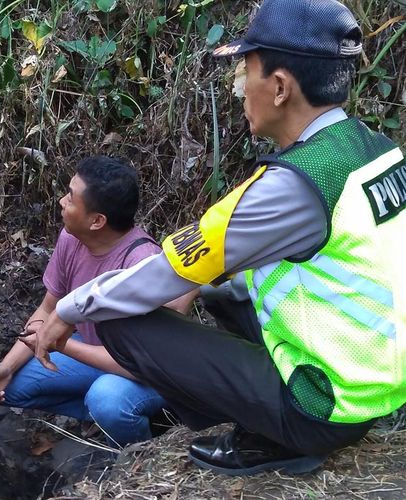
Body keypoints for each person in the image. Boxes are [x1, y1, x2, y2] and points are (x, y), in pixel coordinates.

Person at [33, 0, 405, 476]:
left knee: (118, 319)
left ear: (279, 87)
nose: (238, 89)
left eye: (244, 71)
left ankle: (272, 436)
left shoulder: (295, 184)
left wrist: (68, 309)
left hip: (325, 405)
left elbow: (169, 269)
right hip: (373, 385)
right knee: (224, 294)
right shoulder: (374, 148)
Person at [0, 156, 194, 447]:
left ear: (97, 221)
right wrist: (6, 366)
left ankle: (139, 449)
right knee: (10, 386)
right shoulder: (72, 239)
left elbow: (135, 364)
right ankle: (109, 418)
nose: (61, 201)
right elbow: (47, 309)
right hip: (96, 354)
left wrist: (59, 343)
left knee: (106, 399)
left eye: (70, 197)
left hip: (152, 373)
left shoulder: (141, 265)